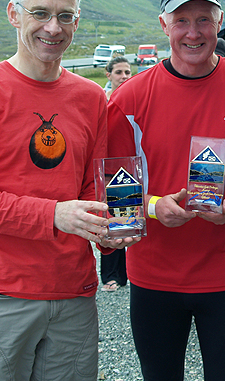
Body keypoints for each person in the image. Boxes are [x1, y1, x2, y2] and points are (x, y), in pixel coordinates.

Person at [0, 0, 139, 380]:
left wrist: (115, 232)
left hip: (74, 295)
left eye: (65, 16)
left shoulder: (90, 99)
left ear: (77, 21)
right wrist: (54, 214)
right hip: (0, 295)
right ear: (14, 14)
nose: (53, 27)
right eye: (41, 13)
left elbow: (94, 187)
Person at [107, 0, 225, 381]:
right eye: (182, 20)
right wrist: (154, 207)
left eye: (203, 19)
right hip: (154, 274)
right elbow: (113, 186)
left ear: (220, 22)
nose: (193, 32)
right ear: (163, 25)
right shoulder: (129, 99)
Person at [100, 56, 133, 292]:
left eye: (127, 72)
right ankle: (110, 275)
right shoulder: (100, 100)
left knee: (129, 219)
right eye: (119, 72)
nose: (123, 76)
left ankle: (127, 274)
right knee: (110, 221)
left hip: (128, 166)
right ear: (108, 74)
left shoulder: (133, 99)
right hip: (105, 168)